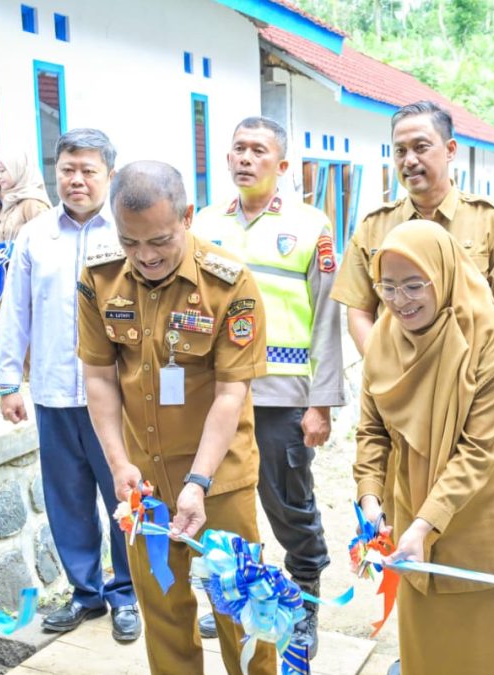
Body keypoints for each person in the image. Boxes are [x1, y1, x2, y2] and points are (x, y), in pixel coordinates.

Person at [77, 160, 275, 675]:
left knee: (241, 609)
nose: (145, 256)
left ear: (187, 217)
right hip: (142, 480)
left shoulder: (228, 283)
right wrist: (118, 464)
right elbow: (99, 378)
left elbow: (231, 393)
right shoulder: (99, 278)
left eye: (159, 241)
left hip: (219, 477)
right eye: (130, 242)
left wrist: (199, 482)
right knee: (162, 608)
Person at [354, 220, 494, 675]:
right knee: (424, 657)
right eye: (387, 287)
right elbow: (372, 430)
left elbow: (480, 450)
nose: (400, 300)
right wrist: (370, 500)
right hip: (414, 527)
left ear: (442, 275)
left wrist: (424, 525)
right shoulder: (384, 336)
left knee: (484, 660)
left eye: (413, 285)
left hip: (484, 524)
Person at [190, 117, 344, 656]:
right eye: (239, 148)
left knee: (289, 507)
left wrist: (322, 402)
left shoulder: (310, 225)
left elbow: (327, 317)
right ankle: (238, 601)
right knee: (225, 505)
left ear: (281, 166)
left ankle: (303, 607)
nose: (246, 158)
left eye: (259, 151)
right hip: (218, 396)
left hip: (283, 398)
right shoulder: (205, 224)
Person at [0, 128, 140, 642]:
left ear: (110, 175)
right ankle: (86, 593)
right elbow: (15, 310)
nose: (76, 180)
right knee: (67, 500)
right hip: (54, 393)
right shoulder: (36, 235)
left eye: (88, 171)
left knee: (124, 496)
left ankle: (127, 593)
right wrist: (8, 382)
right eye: (67, 170)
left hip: (119, 399)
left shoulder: (128, 233)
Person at [331, 100, 494, 355]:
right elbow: (359, 311)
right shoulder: (373, 226)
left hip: (471, 371)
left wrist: (481, 366)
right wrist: (382, 366)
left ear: (450, 150)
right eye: (400, 151)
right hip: (396, 373)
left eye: (421, 147)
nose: (409, 160)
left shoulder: (492, 220)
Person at [0, 149, 53, 242]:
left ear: (19, 170)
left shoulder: (32, 203)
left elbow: (47, 240)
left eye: (2, 170)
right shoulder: (9, 202)